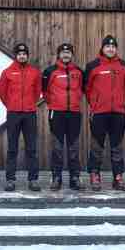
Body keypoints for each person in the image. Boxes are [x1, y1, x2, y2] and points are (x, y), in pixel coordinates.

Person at [84, 35, 125, 191]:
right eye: (107, 46)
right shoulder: (93, 65)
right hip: (99, 113)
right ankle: (94, 175)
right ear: (102, 48)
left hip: (118, 112)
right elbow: (87, 88)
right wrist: (95, 104)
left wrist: (122, 104)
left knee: (117, 146)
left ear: (116, 49)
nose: (110, 49)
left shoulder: (124, 66)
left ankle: (118, 177)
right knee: (97, 146)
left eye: (113, 46)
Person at [0, 43, 42, 192]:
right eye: (19, 54)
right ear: (15, 56)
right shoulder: (7, 72)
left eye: (24, 54)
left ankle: (33, 179)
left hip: (29, 113)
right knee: (12, 148)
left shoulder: (34, 72)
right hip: (13, 113)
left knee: (31, 148)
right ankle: (10, 180)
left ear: (27, 56)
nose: (22, 56)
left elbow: (37, 92)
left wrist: (30, 104)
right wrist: (11, 104)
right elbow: (2, 92)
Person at [42, 43, 83, 191]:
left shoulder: (79, 72)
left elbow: (83, 89)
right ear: (58, 55)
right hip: (57, 113)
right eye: (63, 52)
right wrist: (53, 103)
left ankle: (75, 177)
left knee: (74, 147)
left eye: (68, 53)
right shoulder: (50, 71)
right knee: (57, 147)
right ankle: (56, 177)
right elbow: (45, 92)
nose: (66, 55)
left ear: (72, 55)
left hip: (74, 113)